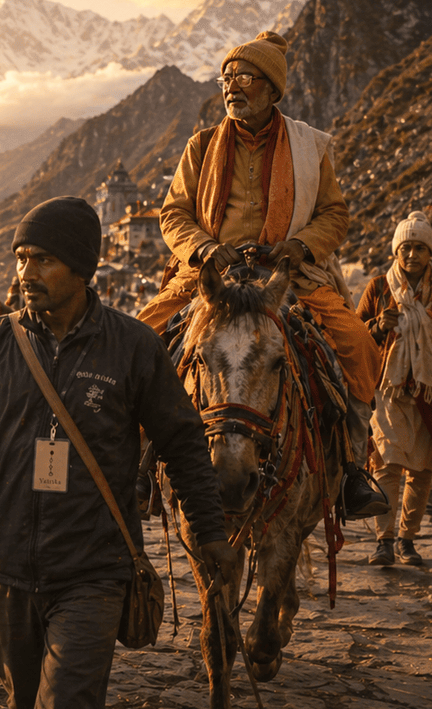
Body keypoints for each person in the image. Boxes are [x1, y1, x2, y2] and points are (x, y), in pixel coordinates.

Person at [0, 197, 238, 709]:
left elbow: (182, 444)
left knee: (68, 708)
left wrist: (210, 533)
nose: (26, 272)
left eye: (43, 259)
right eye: (21, 258)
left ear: (82, 267)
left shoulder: (133, 346)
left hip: (93, 572)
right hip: (3, 571)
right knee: (25, 707)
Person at [138, 30, 388, 519]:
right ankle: (136, 467)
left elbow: (335, 215)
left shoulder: (311, 147)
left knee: (358, 343)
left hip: (289, 278)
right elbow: (173, 215)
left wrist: (298, 247)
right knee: (140, 336)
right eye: (226, 77)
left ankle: (352, 472)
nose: (231, 86)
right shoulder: (202, 145)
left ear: (272, 88)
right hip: (210, 276)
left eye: (244, 77)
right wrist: (206, 248)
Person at [358, 212, 432, 567]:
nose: (412, 255)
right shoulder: (379, 289)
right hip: (388, 393)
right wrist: (378, 327)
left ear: (430, 253)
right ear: (396, 251)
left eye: (420, 248)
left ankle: (408, 540)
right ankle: (384, 541)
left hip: (431, 395)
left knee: (423, 470)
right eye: (406, 247)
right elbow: (354, 337)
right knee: (387, 466)